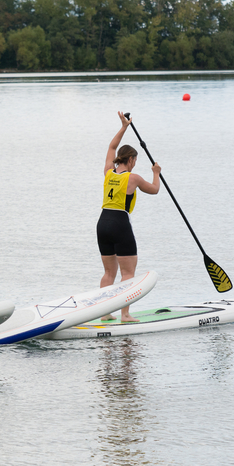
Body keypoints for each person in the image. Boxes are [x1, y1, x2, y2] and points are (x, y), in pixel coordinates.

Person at [97, 112, 161, 322]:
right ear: (131, 159)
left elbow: (111, 147)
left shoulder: (108, 172)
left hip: (102, 223)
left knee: (108, 273)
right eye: (135, 160)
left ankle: (105, 312)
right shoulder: (133, 178)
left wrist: (123, 128)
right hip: (119, 224)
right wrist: (156, 172)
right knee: (128, 273)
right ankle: (125, 314)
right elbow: (154, 190)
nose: (135, 163)